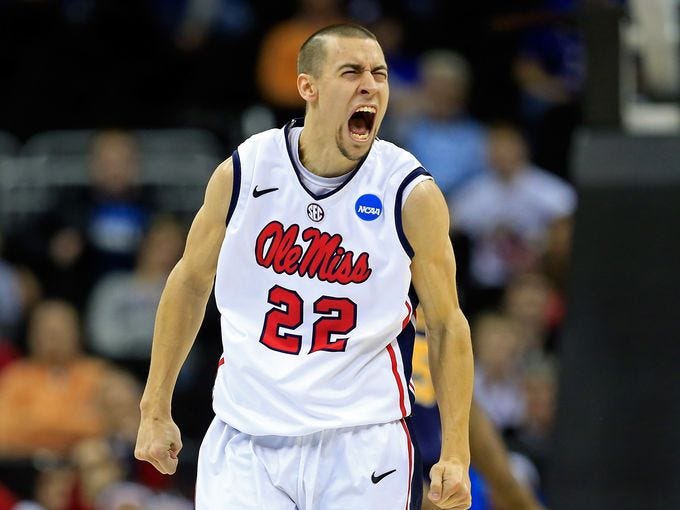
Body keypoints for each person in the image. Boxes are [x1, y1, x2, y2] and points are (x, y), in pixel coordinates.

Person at [135, 24, 473, 510]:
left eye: (379, 74)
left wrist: (455, 452)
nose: (370, 86)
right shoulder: (247, 170)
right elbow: (190, 281)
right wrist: (154, 405)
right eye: (351, 72)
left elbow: (446, 323)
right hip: (247, 435)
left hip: (362, 441)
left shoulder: (409, 193)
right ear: (308, 87)